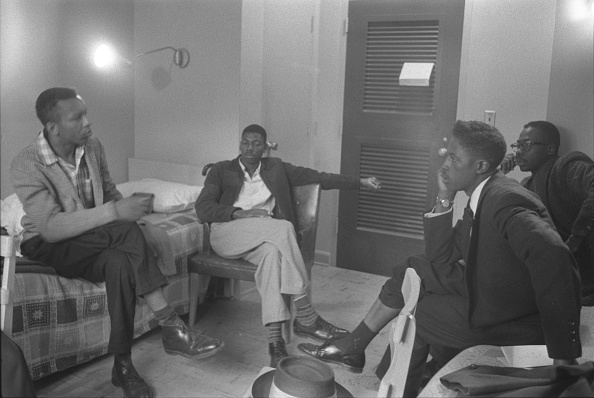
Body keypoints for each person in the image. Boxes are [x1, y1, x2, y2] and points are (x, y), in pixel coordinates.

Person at [298, 120, 582, 397]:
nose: (445, 165)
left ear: (480, 166)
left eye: (454, 159)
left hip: (514, 316)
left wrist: (564, 352)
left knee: (425, 313)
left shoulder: (506, 202)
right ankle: (360, 351)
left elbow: (556, 259)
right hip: (493, 289)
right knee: (413, 267)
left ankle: (397, 382)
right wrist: (445, 196)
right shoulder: (482, 195)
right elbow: (440, 256)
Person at [10, 87, 223, 398]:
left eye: (86, 114)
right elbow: (52, 228)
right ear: (53, 127)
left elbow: (109, 192)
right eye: (78, 117)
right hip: (48, 242)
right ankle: (170, 325)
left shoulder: (92, 147)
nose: (88, 122)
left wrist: (132, 218)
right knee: (125, 233)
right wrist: (117, 215)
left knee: (120, 262)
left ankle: (122, 367)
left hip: (92, 239)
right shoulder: (27, 163)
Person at [194, 124, 381, 367]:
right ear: (239, 144)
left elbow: (319, 177)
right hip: (226, 234)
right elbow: (203, 208)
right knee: (283, 227)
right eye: (245, 142)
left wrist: (361, 182)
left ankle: (275, 344)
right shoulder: (221, 170)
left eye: (256, 143)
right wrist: (239, 213)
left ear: (265, 147)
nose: (249, 148)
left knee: (272, 255)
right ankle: (306, 315)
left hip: (263, 238)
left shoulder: (276, 168)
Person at [500, 121, 594, 305]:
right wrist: (496, 176)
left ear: (550, 149)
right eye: (517, 145)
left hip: (587, 284)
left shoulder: (566, 166)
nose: (518, 151)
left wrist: (576, 237)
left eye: (526, 145)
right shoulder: (526, 186)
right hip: (555, 286)